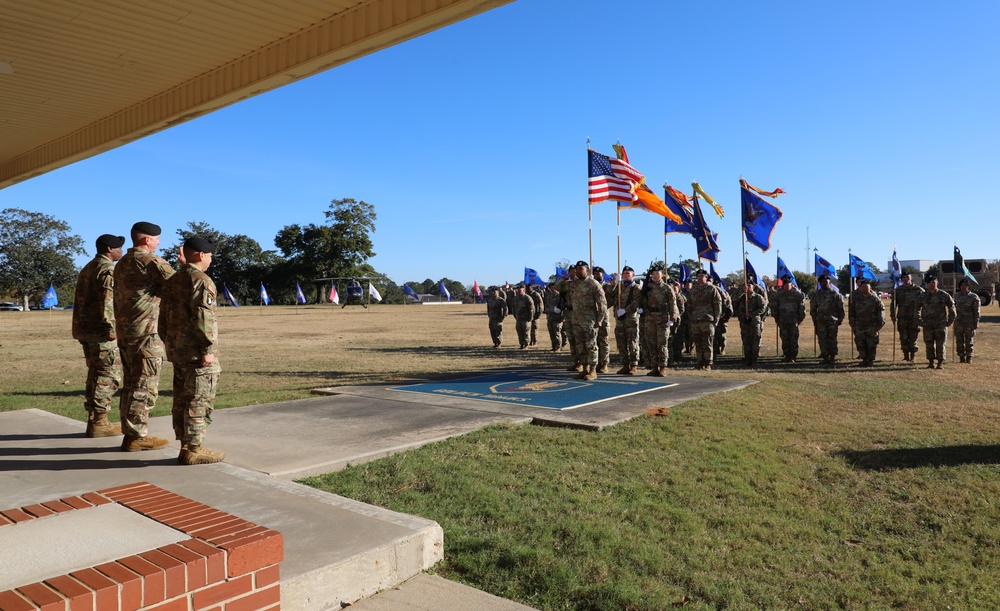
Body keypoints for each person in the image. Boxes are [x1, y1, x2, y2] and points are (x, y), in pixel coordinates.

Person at [159, 236, 224, 465]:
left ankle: (185, 445)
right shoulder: (201, 280)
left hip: (179, 351)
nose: (211, 259)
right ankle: (194, 447)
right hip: (197, 353)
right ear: (200, 255)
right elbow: (204, 318)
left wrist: (170, 343)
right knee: (199, 398)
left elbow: (162, 319)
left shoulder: (173, 280)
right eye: (210, 255)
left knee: (182, 399)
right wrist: (207, 348)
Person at [114, 221, 174, 452]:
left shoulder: (123, 263)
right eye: (157, 239)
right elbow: (182, 285)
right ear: (147, 239)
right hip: (146, 334)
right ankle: (137, 436)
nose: (159, 243)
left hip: (127, 333)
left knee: (131, 385)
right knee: (144, 386)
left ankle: (130, 434)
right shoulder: (150, 261)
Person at [72, 233, 126, 438]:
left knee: (95, 374)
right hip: (102, 333)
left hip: (86, 330)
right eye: (118, 247)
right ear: (108, 249)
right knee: (107, 376)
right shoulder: (108, 269)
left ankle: (95, 419)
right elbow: (108, 302)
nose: (121, 250)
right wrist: (112, 328)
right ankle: (100, 422)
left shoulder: (88, 267)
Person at [567, 261, 607, 380]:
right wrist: (567, 275)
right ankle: (585, 369)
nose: (578, 271)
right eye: (577, 269)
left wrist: (600, 319)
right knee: (580, 346)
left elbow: (602, 304)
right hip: (577, 319)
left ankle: (593, 370)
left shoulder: (593, 284)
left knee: (591, 346)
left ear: (587, 270)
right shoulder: (573, 284)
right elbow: (558, 286)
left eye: (581, 269)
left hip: (590, 320)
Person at [639, 264, 680, 376]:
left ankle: (662, 367)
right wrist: (640, 307)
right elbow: (641, 300)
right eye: (654, 274)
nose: (656, 276)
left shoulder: (667, 288)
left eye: (658, 273)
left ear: (662, 275)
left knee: (661, 344)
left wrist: (672, 318)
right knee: (651, 343)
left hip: (662, 317)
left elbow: (673, 304)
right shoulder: (648, 287)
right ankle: (654, 367)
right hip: (650, 317)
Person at [917, 274, 955, 369]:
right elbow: (916, 309)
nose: (932, 284)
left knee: (940, 343)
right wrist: (919, 320)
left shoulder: (944, 295)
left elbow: (952, 307)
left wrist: (950, 320)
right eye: (930, 282)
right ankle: (930, 362)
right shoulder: (923, 295)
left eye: (934, 282)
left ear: (937, 283)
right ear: (927, 284)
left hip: (940, 323)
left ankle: (940, 362)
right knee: (929, 343)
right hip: (927, 324)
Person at [608, 265, 642, 374]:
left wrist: (626, 310)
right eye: (624, 273)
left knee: (632, 342)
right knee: (621, 343)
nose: (626, 275)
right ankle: (625, 364)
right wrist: (614, 282)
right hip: (619, 319)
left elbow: (637, 301)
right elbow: (609, 293)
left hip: (631, 318)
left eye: (628, 273)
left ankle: (633, 365)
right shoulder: (619, 286)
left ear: (633, 275)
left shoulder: (636, 288)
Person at [687, 269, 723, 370]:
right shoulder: (693, 289)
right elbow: (689, 304)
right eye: (698, 276)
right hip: (695, 319)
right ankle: (699, 361)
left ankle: (708, 362)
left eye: (702, 276)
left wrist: (716, 319)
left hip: (707, 319)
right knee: (698, 342)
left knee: (707, 342)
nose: (700, 278)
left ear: (706, 277)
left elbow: (717, 304)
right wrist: (691, 317)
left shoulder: (711, 289)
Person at [810, 275, 845, 366]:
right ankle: (825, 357)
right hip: (820, 321)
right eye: (822, 282)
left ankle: (832, 357)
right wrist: (815, 320)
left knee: (832, 340)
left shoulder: (835, 294)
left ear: (830, 282)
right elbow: (813, 309)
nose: (824, 283)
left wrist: (840, 320)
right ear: (820, 283)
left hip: (832, 321)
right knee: (822, 340)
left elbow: (841, 309)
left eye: (826, 281)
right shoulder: (816, 295)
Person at [848, 279, 885, 367]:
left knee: (872, 344)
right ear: (860, 288)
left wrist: (880, 324)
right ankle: (864, 359)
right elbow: (852, 312)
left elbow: (881, 312)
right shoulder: (856, 299)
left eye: (866, 287)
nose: (864, 289)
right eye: (863, 287)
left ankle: (871, 360)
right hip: (859, 326)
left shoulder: (875, 299)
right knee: (861, 343)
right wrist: (852, 324)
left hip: (872, 326)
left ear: (870, 288)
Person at [890, 271, 924, 361]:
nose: (906, 279)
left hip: (914, 318)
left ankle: (912, 356)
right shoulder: (898, 290)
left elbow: (925, 303)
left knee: (913, 338)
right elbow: (893, 304)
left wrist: (922, 317)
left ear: (911, 277)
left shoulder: (918, 290)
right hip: (902, 318)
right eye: (904, 277)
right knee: (903, 338)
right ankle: (905, 356)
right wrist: (892, 315)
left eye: (907, 277)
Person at [773, 275, 806, 363]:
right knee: (785, 339)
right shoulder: (779, 294)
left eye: (788, 284)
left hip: (793, 321)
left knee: (793, 339)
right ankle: (786, 355)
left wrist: (800, 319)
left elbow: (802, 308)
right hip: (782, 321)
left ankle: (793, 356)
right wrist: (776, 318)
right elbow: (775, 307)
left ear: (792, 285)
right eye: (785, 285)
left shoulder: (797, 294)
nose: (787, 286)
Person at [733, 281, 767, 368]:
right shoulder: (742, 297)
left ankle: (754, 359)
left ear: (753, 287)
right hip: (744, 322)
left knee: (754, 340)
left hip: (754, 322)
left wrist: (752, 314)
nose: (747, 287)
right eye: (745, 285)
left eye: (749, 285)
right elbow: (734, 301)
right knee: (746, 341)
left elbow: (763, 308)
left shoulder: (758, 297)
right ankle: (747, 358)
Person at [953, 277, 981, 363]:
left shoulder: (974, 297)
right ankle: (961, 357)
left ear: (968, 286)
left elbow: (977, 311)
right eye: (962, 285)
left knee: (969, 340)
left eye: (965, 285)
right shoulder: (956, 296)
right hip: (959, 322)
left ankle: (969, 356)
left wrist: (976, 321)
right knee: (959, 340)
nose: (963, 287)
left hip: (969, 322)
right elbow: (953, 308)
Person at [592, 266, 611, 373]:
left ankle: (604, 364)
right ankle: (596, 362)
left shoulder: (606, 286)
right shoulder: (591, 285)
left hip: (603, 317)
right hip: (592, 316)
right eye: (594, 274)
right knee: (593, 341)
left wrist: (615, 283)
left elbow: (612, 294)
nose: (596, 276)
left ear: (602, 275)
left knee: (603, 340)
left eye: (598, 274)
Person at [542, 282, 564, 351]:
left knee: (557, 332)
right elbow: (547, 306)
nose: (552, 289)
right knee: (551, 333)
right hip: (550, 317)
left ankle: (558, 347)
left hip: (558, 317)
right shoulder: (549, 296)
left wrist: (562, 317)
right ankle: (553, 346)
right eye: (550, 287)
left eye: (553, 287)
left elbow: (563, 307)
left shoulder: (560, 296)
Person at [512, 284, 535, 349]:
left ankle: (526, 344)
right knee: (520, 332)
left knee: (526, 332)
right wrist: (515, 316)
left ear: (524, 290)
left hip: (526, 318)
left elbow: (532, 309)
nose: (519, 291)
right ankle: (521, 344)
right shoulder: (515, 298)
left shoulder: (527, 298)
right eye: (518, 290)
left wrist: (530, 317)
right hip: (519, 318)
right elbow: (513, 307)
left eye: (520, 290)